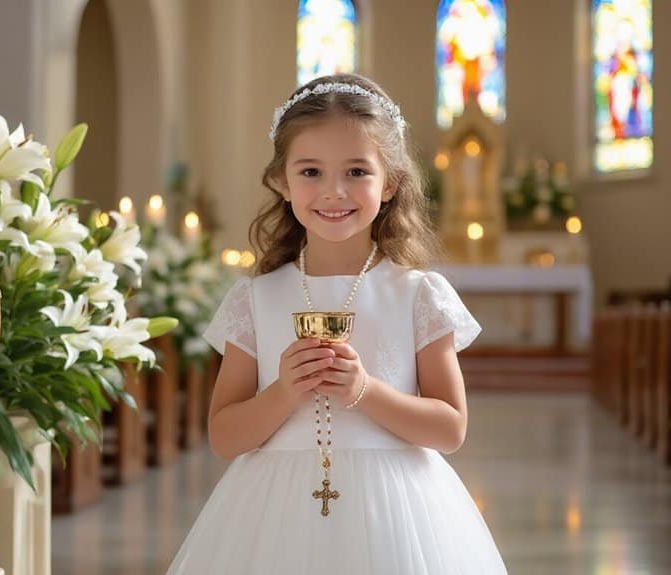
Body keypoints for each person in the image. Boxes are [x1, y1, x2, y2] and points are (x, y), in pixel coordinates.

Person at [167, 74, 506, 574]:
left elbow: (450, 427)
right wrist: (284, 391)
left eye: (355, 171)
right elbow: (224, 437)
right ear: (281, 180)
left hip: (396, 514)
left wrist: (365, 389)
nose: (333, 191)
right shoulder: (257, 298)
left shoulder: (417, 294)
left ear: (389, 182)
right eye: (310, 172)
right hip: (271, 520)